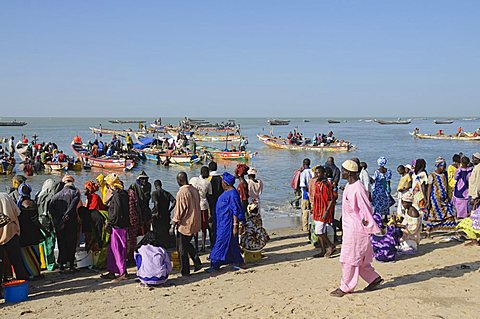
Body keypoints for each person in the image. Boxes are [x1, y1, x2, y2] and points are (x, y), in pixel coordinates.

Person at [330, 160, 382, 298]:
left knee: (349, 259)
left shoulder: (358, 189)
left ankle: (345, 287)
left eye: (343, 170)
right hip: (350, 228)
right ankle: (373, 278)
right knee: (361, 260)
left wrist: (369, 227)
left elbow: (366, 209)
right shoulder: (349, 185)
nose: (341, 172)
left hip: (356, 230)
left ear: (349, 172)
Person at [208, 172, 246, 272]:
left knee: (221, 242)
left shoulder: (233, 194)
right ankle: (237, 261)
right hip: (221, 222)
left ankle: (215, 264)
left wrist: (235, 225)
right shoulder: (227, 193)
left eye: (222, 182)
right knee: (231, 244)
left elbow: (236, 210)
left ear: (226, 183)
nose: (221, 184)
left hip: (227, 224)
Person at [171, 172, 202, 276]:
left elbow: (180, 211)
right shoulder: (194, 190)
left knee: (182, 248)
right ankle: (197, 261)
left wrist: (173, 223)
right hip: (195, 221)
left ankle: (185, 270)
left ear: (180, 180)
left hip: (185, 223)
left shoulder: (182, 192)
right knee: (186, 244)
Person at [101, 173, 130, 281]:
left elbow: (116, 212)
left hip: (118, 226)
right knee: (113, 249)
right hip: (121, 225)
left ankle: (122, 272)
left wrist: (110, 222)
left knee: (119, 250)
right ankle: (112, 271)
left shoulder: (117, 195)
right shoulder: (122, 194)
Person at [49, 175, 80, 272]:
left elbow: (51, 209)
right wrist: (66, 216)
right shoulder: (75, 193)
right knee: (71, 243)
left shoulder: (56, 195)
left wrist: (58, 220)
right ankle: (71, 265)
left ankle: (62, 265)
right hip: (71, 222)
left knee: (62, 243)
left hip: (59, 224)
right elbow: (72, 206)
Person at [17, 183, 48, 279]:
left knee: (25, 254)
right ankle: (35, 273)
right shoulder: (31, 203)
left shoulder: (18, 203)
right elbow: (35, 220)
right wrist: (44, 230)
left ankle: (27, 273)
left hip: (23, 232)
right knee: (35, 252)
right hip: (33, 232)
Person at [0, 193, 29, 286]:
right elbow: (17, 212)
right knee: (17, 261)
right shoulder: (5, 196)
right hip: (11, 232)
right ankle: (23, 283)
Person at [424, 157, 457, 235]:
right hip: (435, 200)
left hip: (444, 199)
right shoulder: (432, 175)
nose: (444, 167)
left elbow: (447, 185)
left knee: (449, 213)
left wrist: (448, 196)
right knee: (434, 216)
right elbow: (429, 188)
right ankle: (430, 230)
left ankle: (450, 228)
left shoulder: (444, 174)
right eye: (443, 166)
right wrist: (428, 200)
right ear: (438, 166)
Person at [311, 166, 336, 258]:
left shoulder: (327, 184)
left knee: (319, 231)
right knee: (319, 230)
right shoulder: (317, 183)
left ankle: (331, 245)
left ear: (323, 173)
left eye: (318, 173)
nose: (316, 175)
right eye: (316, 173)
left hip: (323, 210)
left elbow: (331, 199)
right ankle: (323, 250)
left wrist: (326, 212)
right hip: (317, 209)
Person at [36, 178, 58, 271]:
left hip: (39, 222)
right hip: (48, 223)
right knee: (49, 244)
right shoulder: (50, 197)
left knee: (42, 244)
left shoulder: (38, 195)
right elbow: (50, 213)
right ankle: (50, 264)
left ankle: (42, 263)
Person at [189, 166, 213, 252]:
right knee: (203, 227)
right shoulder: (207, 183)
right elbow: (209, 195)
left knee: (196, 227)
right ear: (204, 173)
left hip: (194, 206)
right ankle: (202, 245)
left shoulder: (193, 180)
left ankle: (196, 246)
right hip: (203, 206)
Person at [151, 180, 176, 248]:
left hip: (158, 215)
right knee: (165, 230)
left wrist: (157, 212)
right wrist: (170, 210)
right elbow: (174, 201)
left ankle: (159, 245)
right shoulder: (167, 193)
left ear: (155, 186)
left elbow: (156, 203)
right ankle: (166, 244)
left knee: (157, 231)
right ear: (161, 185)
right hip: (166, 214)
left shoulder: (155, 193)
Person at [207, 161, 224, 248]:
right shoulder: (222, 178)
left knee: (211, 225)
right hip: (221, 205)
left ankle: (212, 243)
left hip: (211, 204)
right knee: (220, 224)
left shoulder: (208, 179)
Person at [300, 159, 313, 232]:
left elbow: (303, 185)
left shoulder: (304, 173)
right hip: (313, 195)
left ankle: (305, 228)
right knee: (313, 211)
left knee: (305, 212)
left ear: (303, 164)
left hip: (305, 195)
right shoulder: (313, 171)